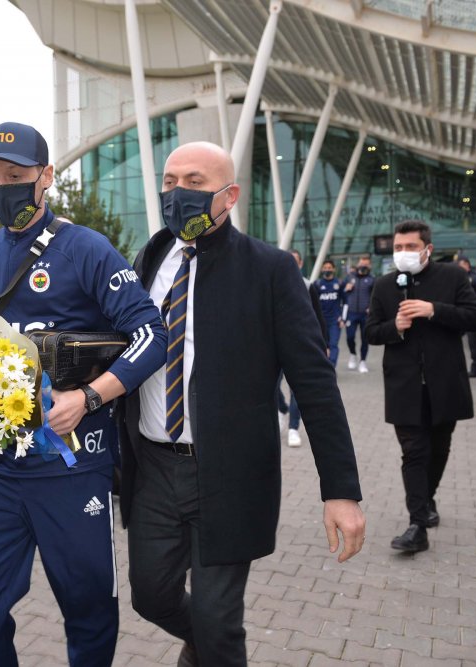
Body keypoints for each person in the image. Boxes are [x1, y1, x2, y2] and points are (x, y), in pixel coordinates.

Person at [120, 141, 365, 667]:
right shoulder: (148, 259)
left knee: (218, 621)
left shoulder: (271, 271)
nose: (176, 193)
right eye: (169, 181)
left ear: (228, 196)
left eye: (193, 182)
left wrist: (340, 490)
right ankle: (205, 647)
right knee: (150, 596)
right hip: (155, 469)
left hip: (230, 477)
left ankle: (212, 648)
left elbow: (315, 384)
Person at [0, 122, 166, 667]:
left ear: (46, 177)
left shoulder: (86, 249)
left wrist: (89, 398)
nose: (3, 188)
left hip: (73, 470)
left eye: (16, 176)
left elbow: (151, 334)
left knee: (89, 608)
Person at [366, 220, 476, 553]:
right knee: (414, 452)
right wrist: (396, 327)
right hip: (404, 386)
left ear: (427, 249)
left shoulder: (453, 277)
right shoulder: (385, 285)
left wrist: (435, 310)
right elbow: (372, 332)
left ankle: (427, 498)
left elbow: (475, 317)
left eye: (410, 247)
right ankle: (417, 523)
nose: (403, 253)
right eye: (398, 248)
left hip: (445, 383)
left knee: (438, 448)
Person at [285, 249, 329, 448]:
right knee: (270, 387)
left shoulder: (308, 285)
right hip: (270, 348)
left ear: (301, 264)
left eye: (295, 262)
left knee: (296, 390)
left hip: (299, 348)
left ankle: (293, 428)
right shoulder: (266, 284)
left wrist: (324, 344)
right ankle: (280, 410)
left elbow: (318, 318)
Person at [342, 254, 375, 373]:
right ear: (358, 264)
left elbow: (375, 296)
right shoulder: (349, 277)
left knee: (365, 338)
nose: (363, 266)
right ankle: (352, 354)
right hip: (351, 313)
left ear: (370, 266)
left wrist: (371, 307)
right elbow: (342, 294)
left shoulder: (372, 279)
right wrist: (346, 289)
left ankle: (362, 362)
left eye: (366, 264)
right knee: (350, 337)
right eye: (362, 264)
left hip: (365, 314)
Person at [316, 259, 345, 367]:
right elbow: (313, 304)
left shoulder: (339, 283)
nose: (327, 270)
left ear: (333, 269)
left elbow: (345, 302)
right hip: (321, 321)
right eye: (325, 268)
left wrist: (343, 318)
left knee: (333, 345)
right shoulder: (317, 284)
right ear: (322, 269)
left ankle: (331, 367)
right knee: (322, 345)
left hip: (335, 321)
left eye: (329, 268)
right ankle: (323, 367)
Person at [456, 255, 476, 377]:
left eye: (461, 265)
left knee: (473, 343)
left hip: (471, 314)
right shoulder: (457, 278)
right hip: (460, 315)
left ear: (467, 264)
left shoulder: (475, 278)